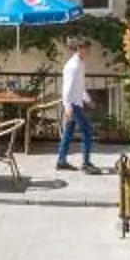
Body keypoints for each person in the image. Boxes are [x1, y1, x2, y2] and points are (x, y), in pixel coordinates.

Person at [54, 37, 98, 173]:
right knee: (87, 131)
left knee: (68, 133)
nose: (88, 51)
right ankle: (85, 163)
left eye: (89, 49)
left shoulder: (80, 63)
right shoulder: (73, 65)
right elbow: (67, 88)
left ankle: (61, 161)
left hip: (76, 102)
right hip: (73, 104)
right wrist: (67, 107)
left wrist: (87, 99)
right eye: (86, 48)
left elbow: (80, 86)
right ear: (79, 48)